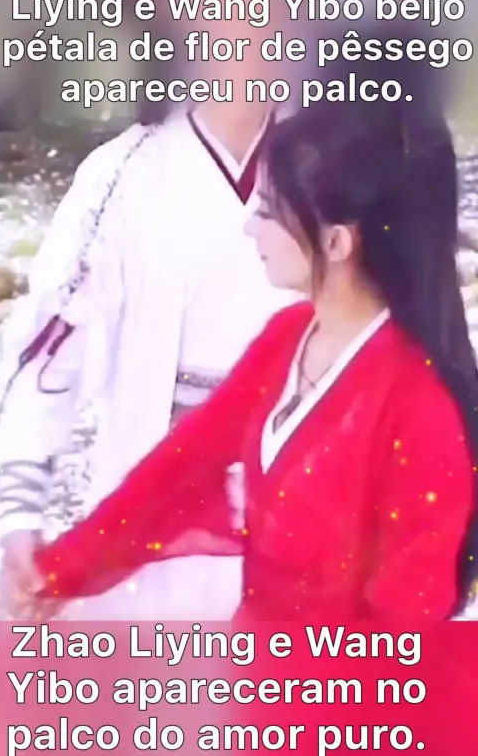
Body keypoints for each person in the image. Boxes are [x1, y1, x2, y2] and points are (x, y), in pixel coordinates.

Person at [32, 82, 478, 622]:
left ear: (337, 241)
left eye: (267, 211)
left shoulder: (420, 410)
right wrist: (61, 570)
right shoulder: (288, 339)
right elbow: (180, 469)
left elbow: (404, 631)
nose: (249, 227)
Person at [0, 0, 306, 620]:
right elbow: (46, 359)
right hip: (143, 565)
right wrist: (18, 516)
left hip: (306, 560)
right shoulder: (122, 178)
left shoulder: (347, 172)